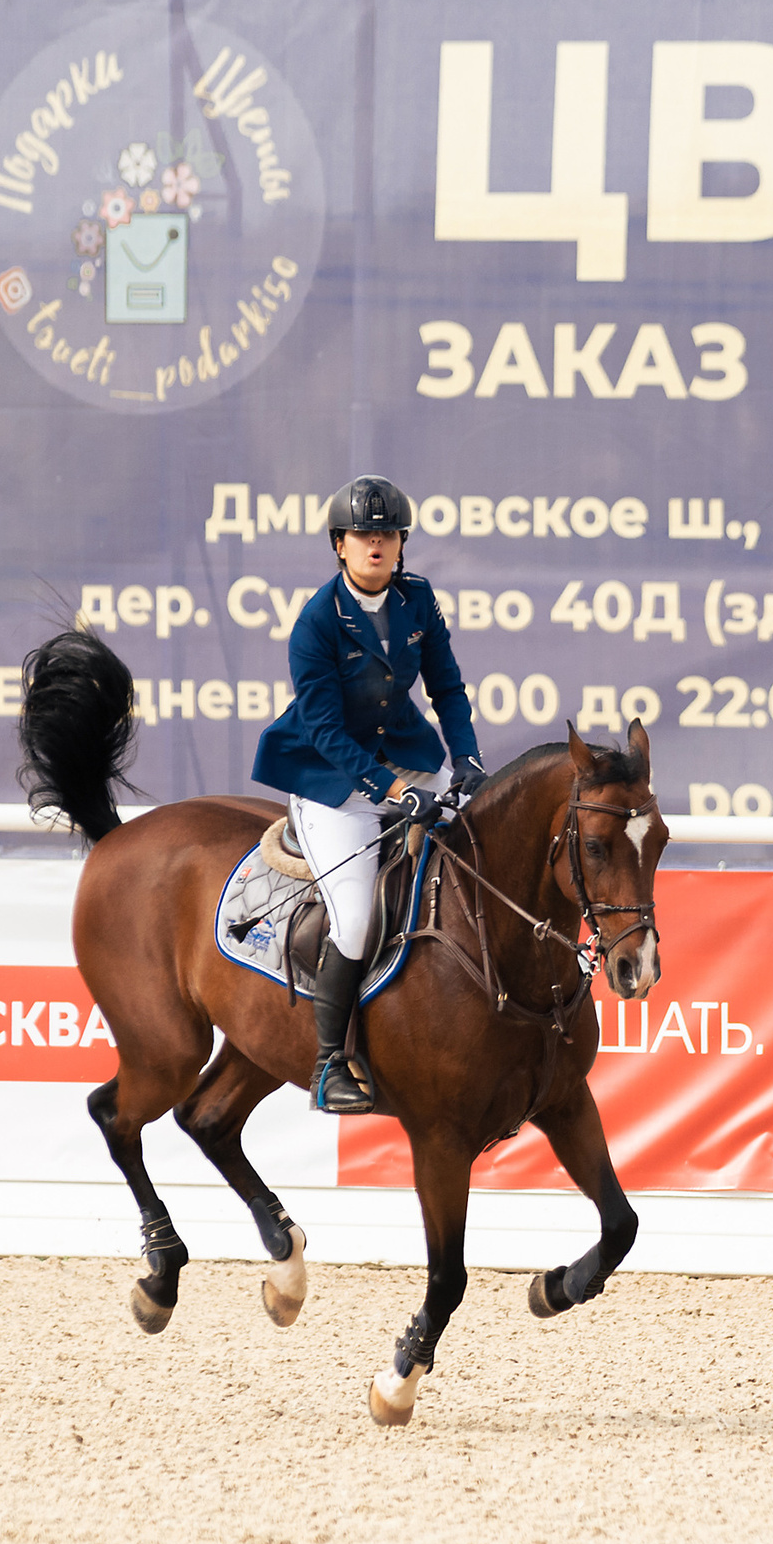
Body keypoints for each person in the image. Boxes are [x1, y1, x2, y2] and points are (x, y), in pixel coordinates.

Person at [251, 475, 486, 1113]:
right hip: (332, 781)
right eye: (363, 534)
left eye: (386, 534)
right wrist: (390, 789)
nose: (375, 544)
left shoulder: (419, 598)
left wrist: (465, 758)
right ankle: (331, 1062)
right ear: (340, 545)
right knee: (355, 915)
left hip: (405, 756)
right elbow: (326, 731)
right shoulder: (316, 621)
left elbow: (447, 684)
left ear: (402, 543)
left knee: (484, 837)